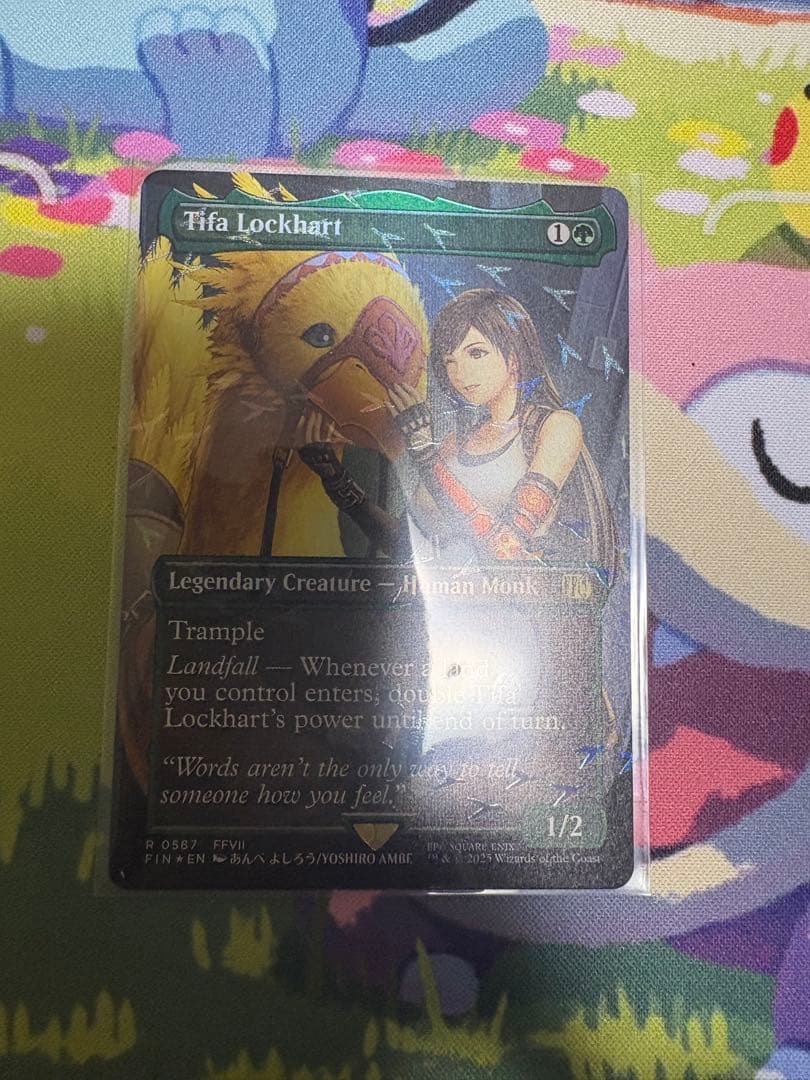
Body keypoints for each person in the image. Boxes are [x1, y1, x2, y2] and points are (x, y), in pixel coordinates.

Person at [387, 289, 617, 572]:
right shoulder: (452, 445)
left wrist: (425, 455)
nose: (459, 373)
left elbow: (507, 547)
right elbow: (403, 543)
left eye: (476, 353)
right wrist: (343, 488)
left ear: (514, 356)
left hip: (511, 597)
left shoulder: (557, 427)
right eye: (450, 361)